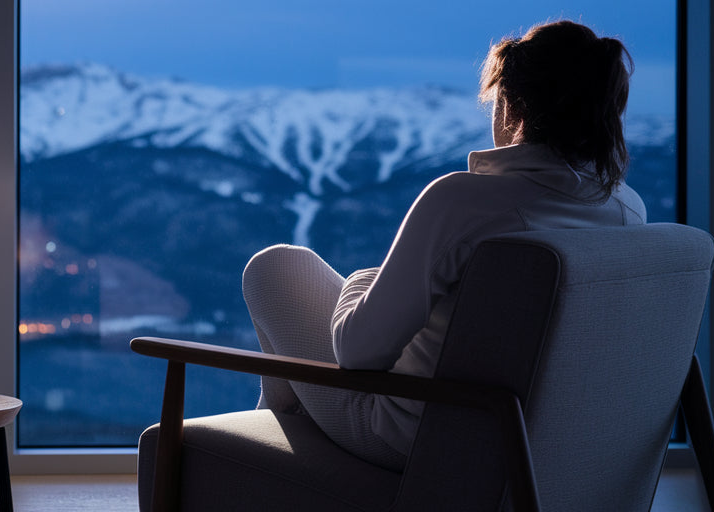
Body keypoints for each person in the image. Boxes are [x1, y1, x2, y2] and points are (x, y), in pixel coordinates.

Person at [243, 20, 647, 471]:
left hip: (408, 432)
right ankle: (276, 447)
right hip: (534, 439)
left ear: (511, 104)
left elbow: (357, 353)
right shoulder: (627, 211)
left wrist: (361, 281)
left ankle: (266, 462)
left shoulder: (464, 202)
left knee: (277, 266)